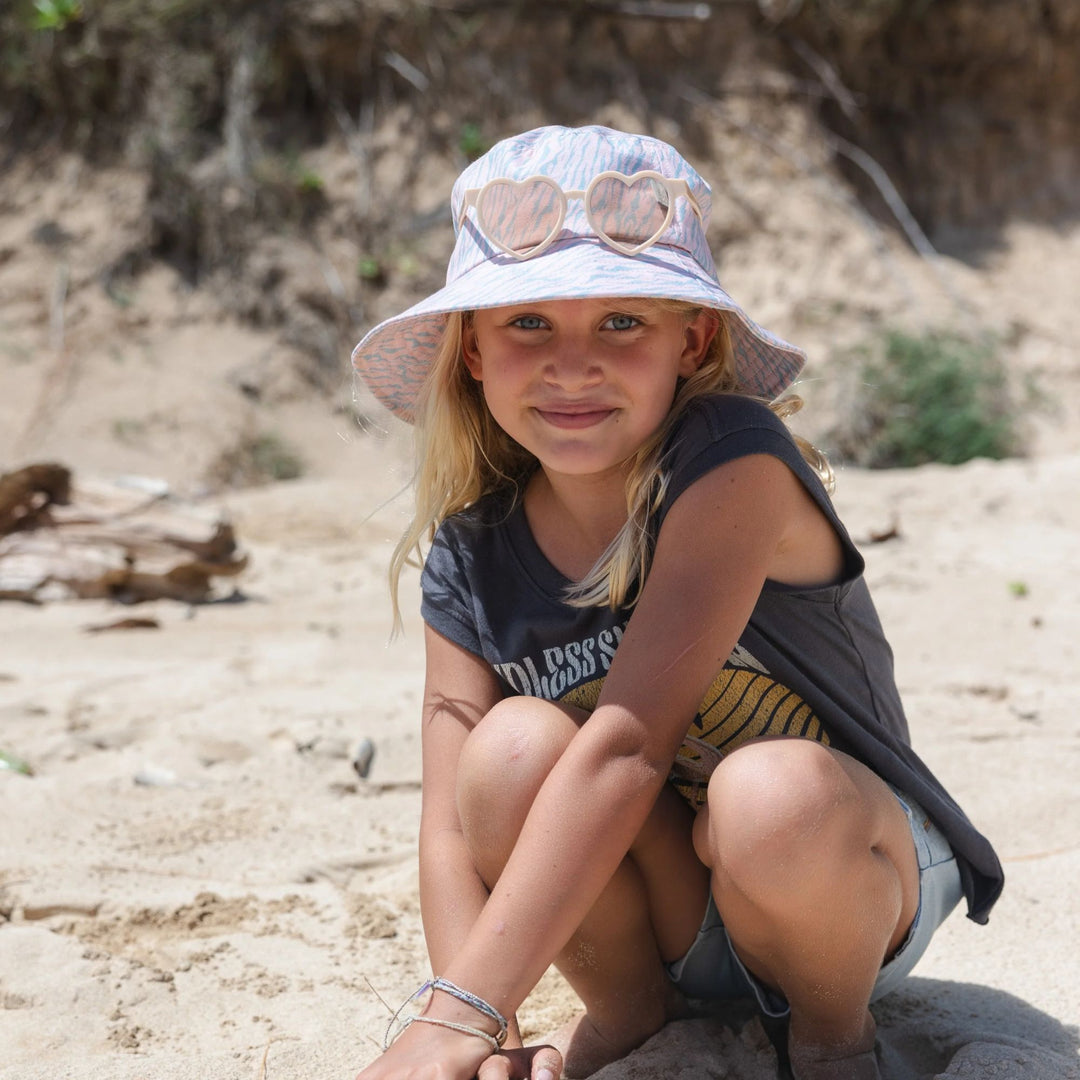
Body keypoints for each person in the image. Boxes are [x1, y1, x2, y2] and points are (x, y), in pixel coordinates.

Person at [350, 125, 1003, 1080]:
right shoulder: (473, 551)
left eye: (623, 323)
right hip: (665, 915)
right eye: (528, 323)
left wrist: (455, 1012)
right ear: (474, 352)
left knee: (766, 794)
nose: (573, 363)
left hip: (844, 887)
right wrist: (482, 1032)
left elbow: (630, 743)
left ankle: (830, 1042)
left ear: (691, 341)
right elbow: (451, 826)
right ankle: (636, 1015)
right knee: (510, 751)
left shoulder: (729, 459)